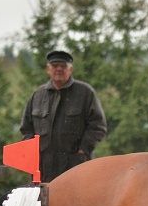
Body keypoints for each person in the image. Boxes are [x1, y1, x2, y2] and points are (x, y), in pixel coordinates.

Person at [20, 50, 107, 183]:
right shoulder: (37, 96)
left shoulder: (85, 93)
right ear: (48, 69)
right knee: (44, 203)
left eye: (63, 66)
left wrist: (83, 150)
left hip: (76, 168)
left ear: (70, 69)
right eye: (55, 66)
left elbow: (98, 126)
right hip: (43, 170)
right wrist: (33, 154)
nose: (59, 69)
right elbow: (26, 129)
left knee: (76, 203)